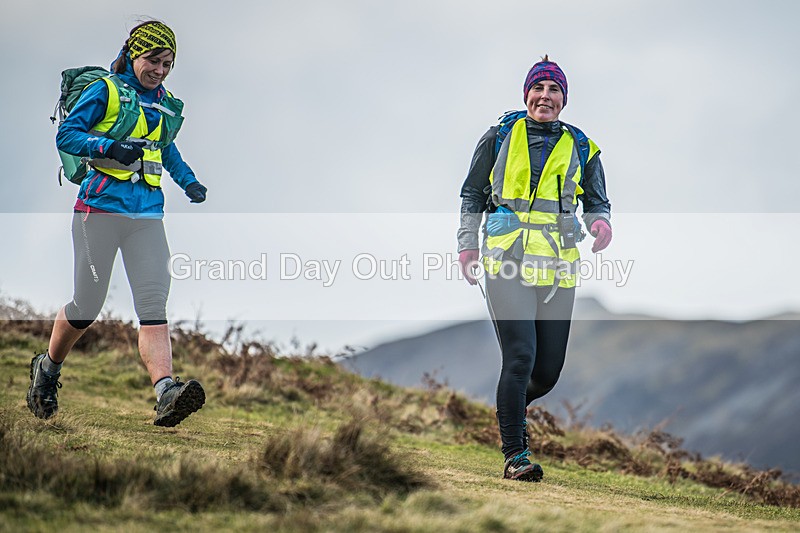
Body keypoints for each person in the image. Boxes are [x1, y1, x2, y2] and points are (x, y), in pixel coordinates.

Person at [27, 20, 208, 427]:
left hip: (147, 216)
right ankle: (47, 370)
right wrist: (110, 146)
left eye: (167, 63)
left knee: (152, 303)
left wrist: (189, 181)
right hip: (98, 212)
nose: (159, 71)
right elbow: (68, 136)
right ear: (133, 55)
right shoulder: (105, 91)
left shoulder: (163, 103)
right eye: (153, 61)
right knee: (87, 305)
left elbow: (167, 149)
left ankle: (166, 393)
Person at [457, 56, 612, 481]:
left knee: (547, 372)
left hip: (558, 267)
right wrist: (467, 246)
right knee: (520, 356)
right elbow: (471, 194)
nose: (546, 96)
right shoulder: (499, 136)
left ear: (564, 99)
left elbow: (597, 200)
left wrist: (601, 222)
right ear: (527, 94)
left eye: (554, 90)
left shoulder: (583, 147)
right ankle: (515, 457)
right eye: (539, 88)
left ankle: (508, 410)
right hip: (506, 260)